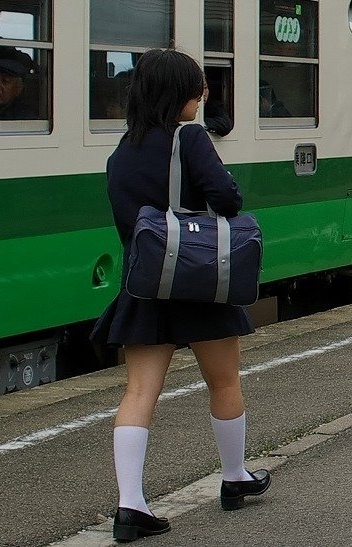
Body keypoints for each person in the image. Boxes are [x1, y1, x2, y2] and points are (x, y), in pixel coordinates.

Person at [90, 49, 270, 543]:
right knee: (223, 380)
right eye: (197, 87)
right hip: (200, 281)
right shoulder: (189, 137)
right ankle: (234, 477)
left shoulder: (122, 151)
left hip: (147, 286)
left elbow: (129, 224)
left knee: (139, 392)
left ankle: (131, 505)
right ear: (177, 94)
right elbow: (228, 199)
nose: (203, 95)